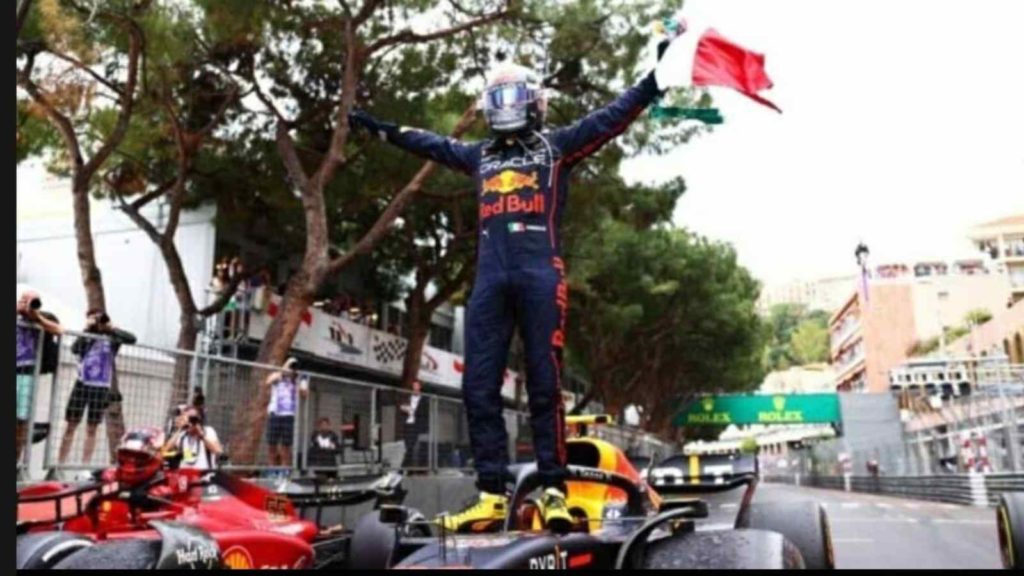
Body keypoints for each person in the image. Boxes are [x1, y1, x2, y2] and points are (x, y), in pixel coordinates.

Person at [348, 45, 677, 532]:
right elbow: (426, 142)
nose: (505, 102)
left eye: (512, 92)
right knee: (477, 386)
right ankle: (491, 493)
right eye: (496, 94)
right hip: (489, 282)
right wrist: (377, 125)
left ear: (534, 100)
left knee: (545, 384)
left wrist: (657, 78)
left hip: (540, 275)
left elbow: (612, 117)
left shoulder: (556, 147)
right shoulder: (478, 155)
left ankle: (553, 491)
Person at [58, 309, 137, 465]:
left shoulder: (112, 338)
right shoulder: (87, 336)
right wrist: (88, 329)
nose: (98, 322)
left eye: (100, 319)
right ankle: (60, 463)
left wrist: (112, 328)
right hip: (82, 383)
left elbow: (132, 339)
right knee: (71, 425)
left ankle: (84, 465)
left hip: (101, 386)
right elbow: (75, 349)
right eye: (94, 318)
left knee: (92, 427)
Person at [16, 290, 63, 463]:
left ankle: (16, 465)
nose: (28, 304)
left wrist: (36, 317)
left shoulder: (40, 319)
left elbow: (59, 330)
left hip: (27, 372)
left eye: (33, 301)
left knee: (21, 421)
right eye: (24, 300)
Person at [264, 357, 309, 471]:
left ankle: (285, 471)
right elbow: (268, 381)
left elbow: (304, 394)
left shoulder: (299, 379)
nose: (292, 369)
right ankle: (272, 470)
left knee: (286, 446)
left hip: (289, 415)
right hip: (275, 413)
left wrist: (298, 381)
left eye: (294, 367)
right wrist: (284, 370)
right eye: (291, 366)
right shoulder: (278, 375)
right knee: (272, 444)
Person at [164, 405, 222, 471]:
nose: (190, 423)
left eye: (192, 419)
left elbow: (217, 450)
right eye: (186, 418)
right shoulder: (183, 435)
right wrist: (180, 429)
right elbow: (166, 449)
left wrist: (201, 435)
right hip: (185, 477)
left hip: (204, 477)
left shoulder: (208, 431)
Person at [399, 380, 428, 469]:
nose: (414, 388)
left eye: (416, 386)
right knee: (407, 445)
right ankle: (406, 467)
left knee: (411, 446)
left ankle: (404, 466)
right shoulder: (408, 397)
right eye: (413, 386)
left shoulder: (424, 399)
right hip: (408, 423)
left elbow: (425, 413)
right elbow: (401, 407)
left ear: (419, 387)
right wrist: (404, 409)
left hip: (416, 424)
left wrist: (415, 411)